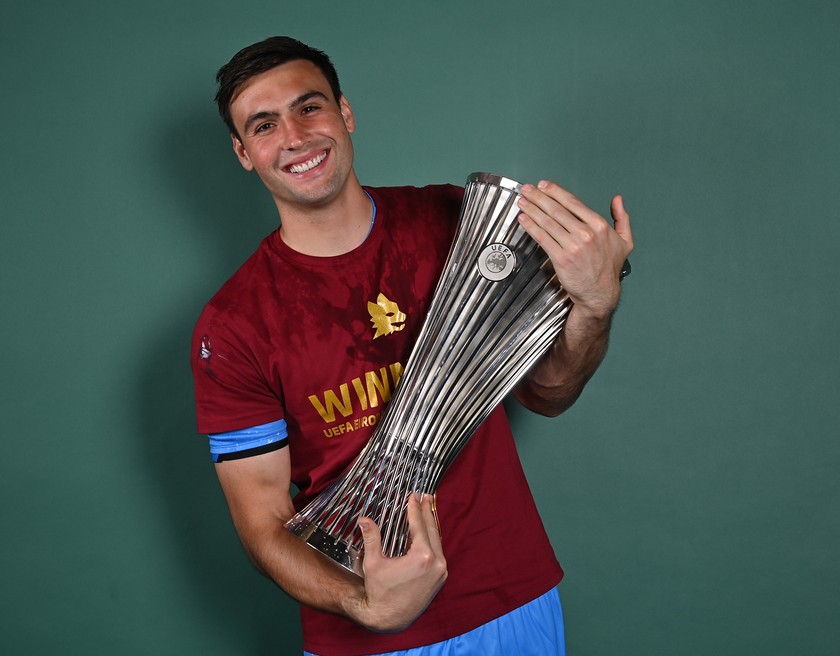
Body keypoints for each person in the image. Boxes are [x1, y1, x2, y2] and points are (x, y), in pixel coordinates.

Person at [190, 36, 633, 656]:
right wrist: (364, 605)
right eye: (264, 125)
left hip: (512, 600)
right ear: (244, 153)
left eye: (309, 107)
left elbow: (548, 394)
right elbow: (262, 523)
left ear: (345, 112)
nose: (295, 136)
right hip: (366, 636)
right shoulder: (233, 325)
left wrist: (594, 306)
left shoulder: (457, 225)